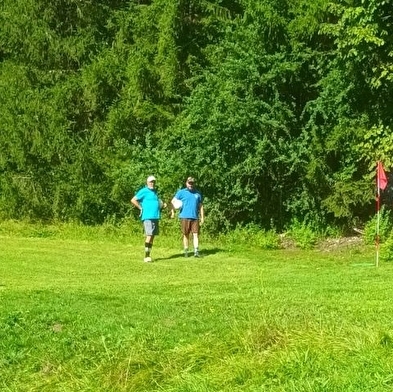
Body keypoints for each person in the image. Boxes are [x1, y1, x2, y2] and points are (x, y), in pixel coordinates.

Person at [131, 175, 166, 262]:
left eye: (153, 181)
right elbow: (133, 200)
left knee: (152, 236)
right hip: (147, 216)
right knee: (149, 235)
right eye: (150, 181)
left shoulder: (155, 192)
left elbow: (158, 203)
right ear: (147, 182)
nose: (152, 183)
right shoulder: (144, 191)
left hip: (155, 216)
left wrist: (162, 205)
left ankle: (149, 254)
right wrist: (140, 207)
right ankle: (146, 256)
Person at [171, 176, 204, 257]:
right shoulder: (181, 192)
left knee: (195, 234)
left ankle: (196, 251)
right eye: (189, 183)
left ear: (194, 184)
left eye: (192, 183)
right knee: (186, 234)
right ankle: (186, 251)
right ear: (186, 183)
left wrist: (202, 217)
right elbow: (172, 201)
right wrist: (173, 212)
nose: (190, 185)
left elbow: (201, 206)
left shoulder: (197, 194)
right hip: (184, 217)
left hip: (195, 217)